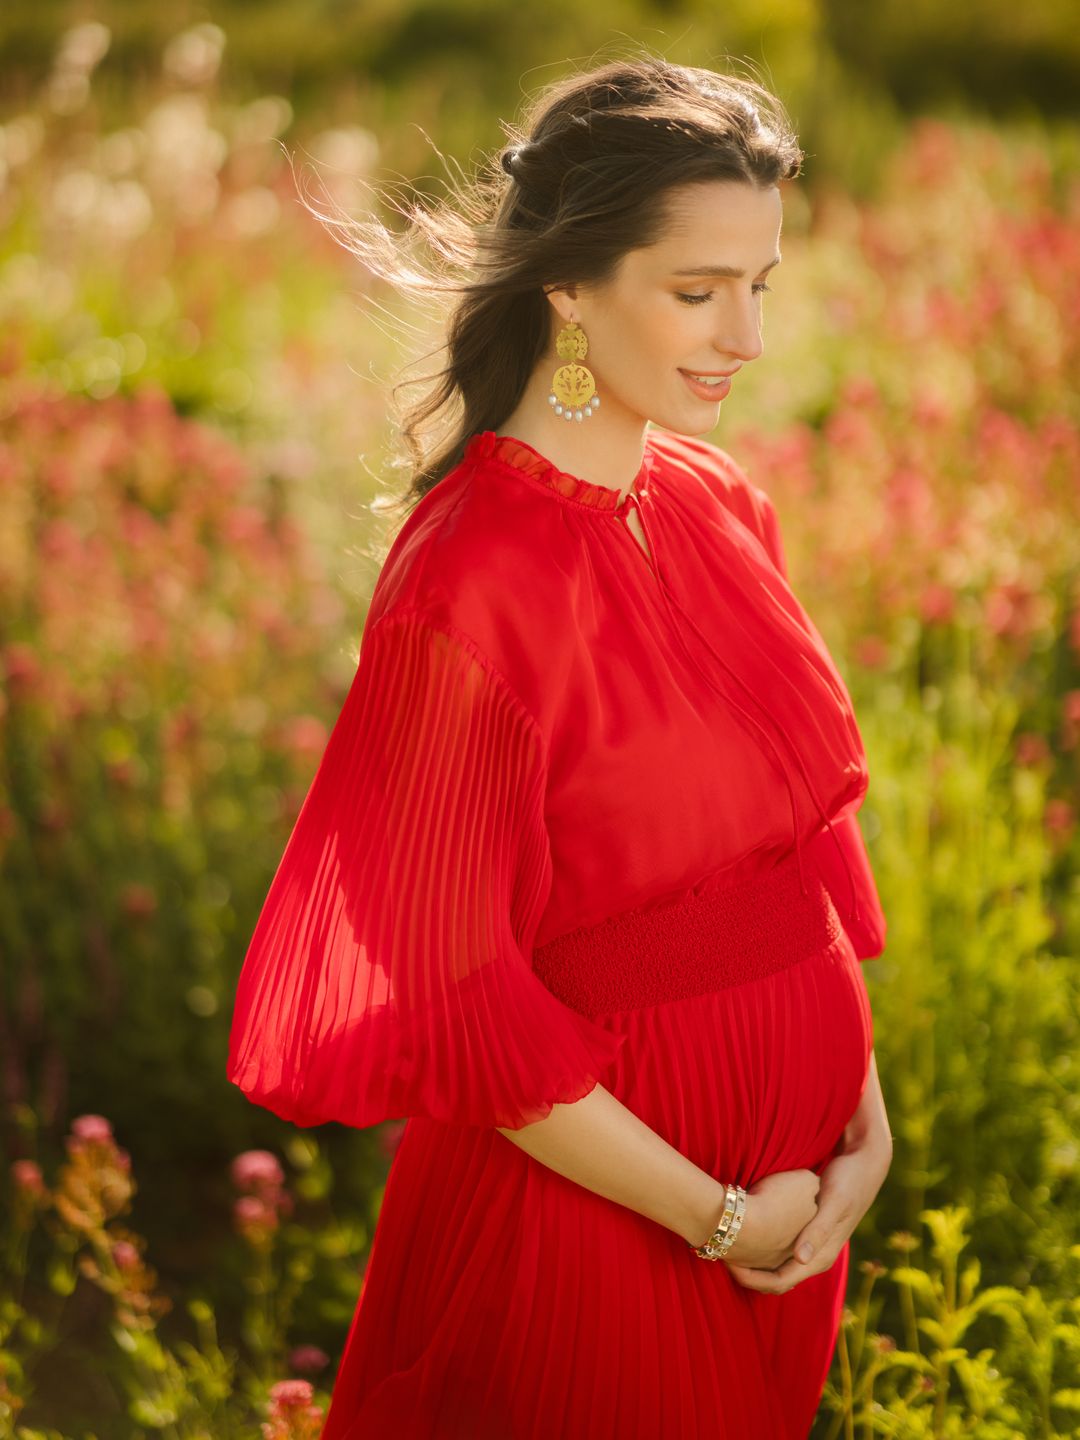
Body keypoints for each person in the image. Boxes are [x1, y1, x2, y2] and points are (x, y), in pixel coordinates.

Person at [227, 54, 894, 1439]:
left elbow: (805, 844)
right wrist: (713, 1218)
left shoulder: (714, 498)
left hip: (793, 1204)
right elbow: (457, 990)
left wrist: (861, 1129)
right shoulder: (467, 583)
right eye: (698, 291)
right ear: (570, 287)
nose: (746, 337)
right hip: (602, 1220)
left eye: (759, 285)